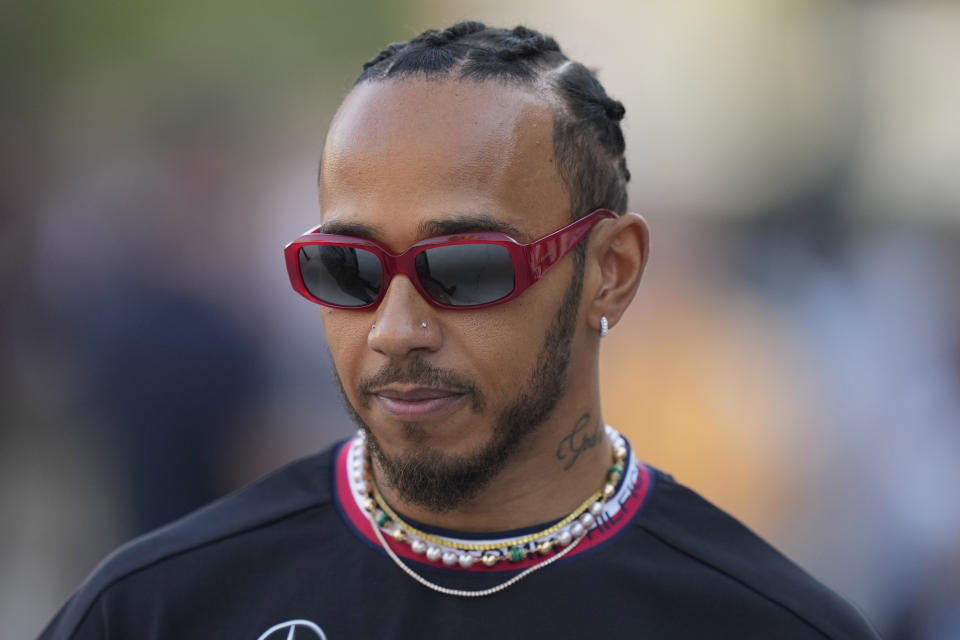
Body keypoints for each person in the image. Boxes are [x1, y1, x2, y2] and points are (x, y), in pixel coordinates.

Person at [40, 21, 880, 639]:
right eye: (349, 270)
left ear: (611, 272)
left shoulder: (768, 624)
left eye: (467, 269)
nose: (396, 328)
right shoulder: (156, 609)